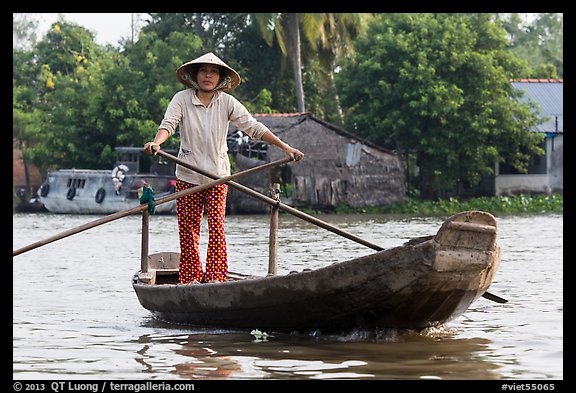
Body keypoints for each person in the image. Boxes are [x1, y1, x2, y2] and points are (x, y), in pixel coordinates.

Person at [143, 52, 304, 284]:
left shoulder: (226, 102)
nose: (208, 75)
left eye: (214, 71)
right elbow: (168, 125)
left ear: (220, 78)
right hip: (188, 175)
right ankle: (190, 280)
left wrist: (285, 148)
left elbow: (254, 127)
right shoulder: (182, 99)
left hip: (218, 176)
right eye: (203, 71)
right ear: (195, 75)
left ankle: (216, 280)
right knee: (189, 233)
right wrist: (156, 143)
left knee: (217, 228)